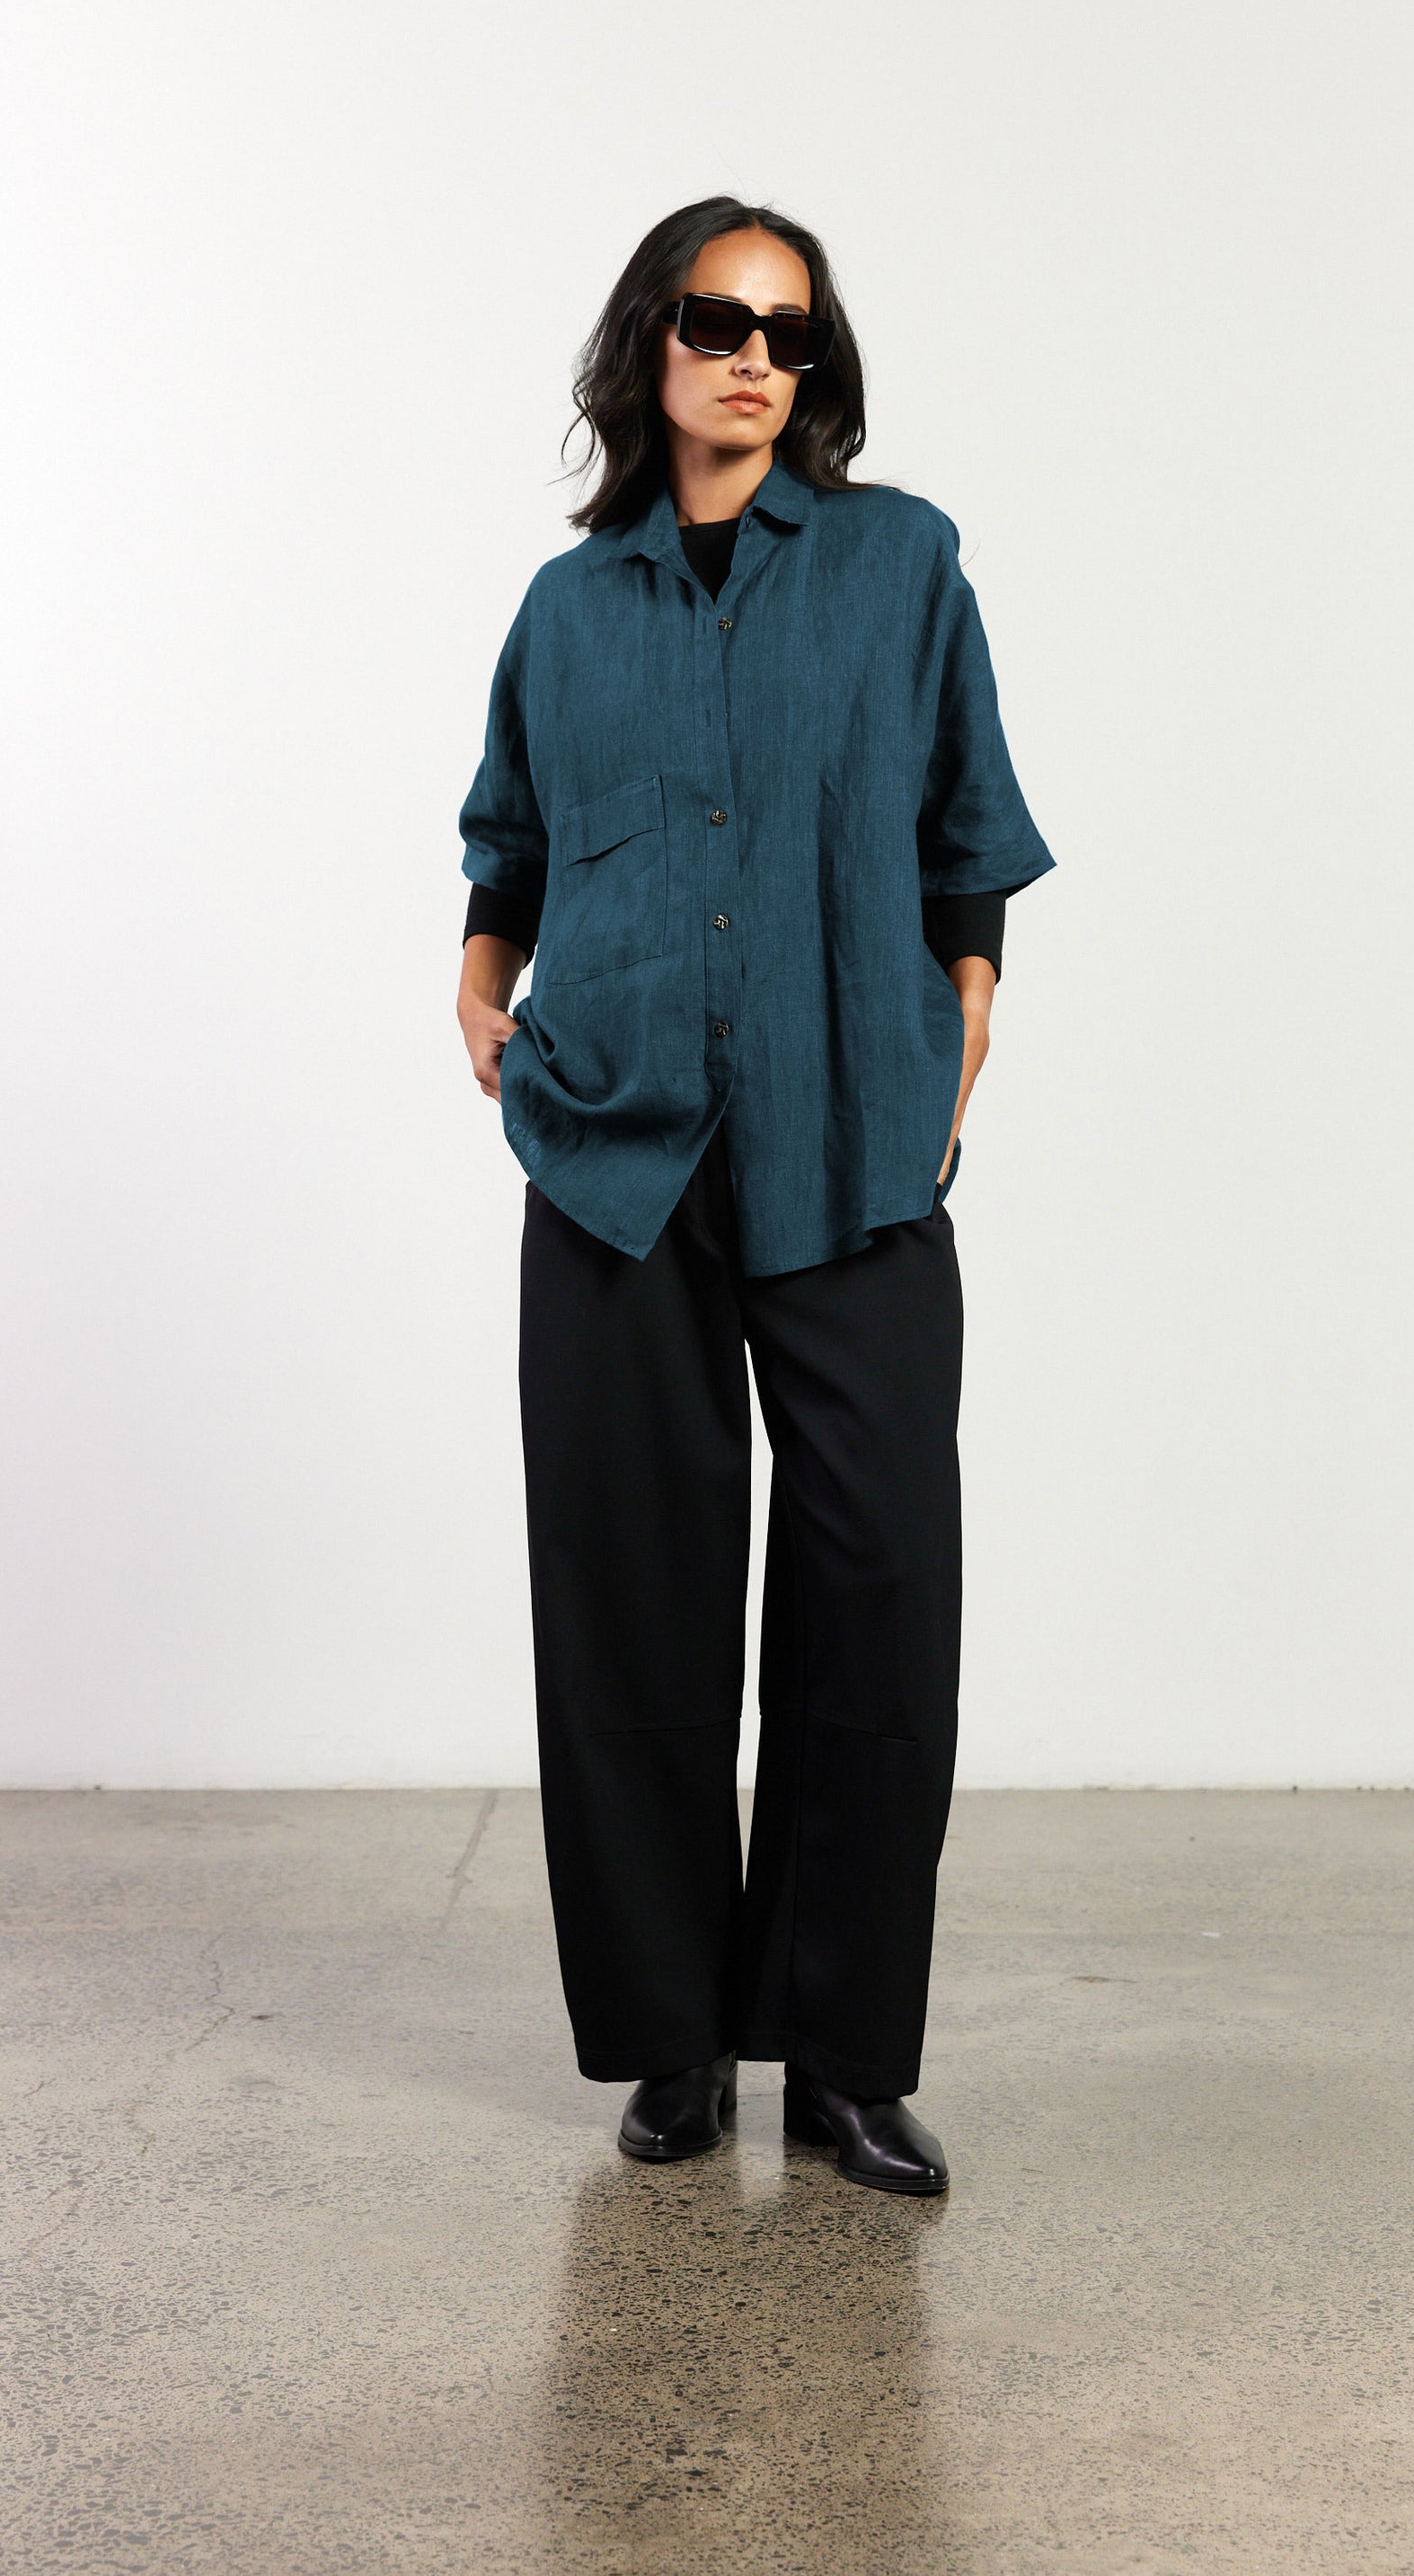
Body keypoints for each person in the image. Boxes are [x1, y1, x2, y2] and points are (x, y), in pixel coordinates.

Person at [455, 198, 1053, 2196]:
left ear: (817, 370)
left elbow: (964, 820)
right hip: (612, 1149)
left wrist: (967, 1000)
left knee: (877, 1588)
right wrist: (482, 977)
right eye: (718, 320)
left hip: (849, 1133)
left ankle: (847, 2059)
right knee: (629, 1601)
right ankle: (674, 2043)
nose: (752, 360)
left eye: (789, 335)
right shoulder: (566, 610)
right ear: (651, 338)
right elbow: (511, 841)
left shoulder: (900, 563)